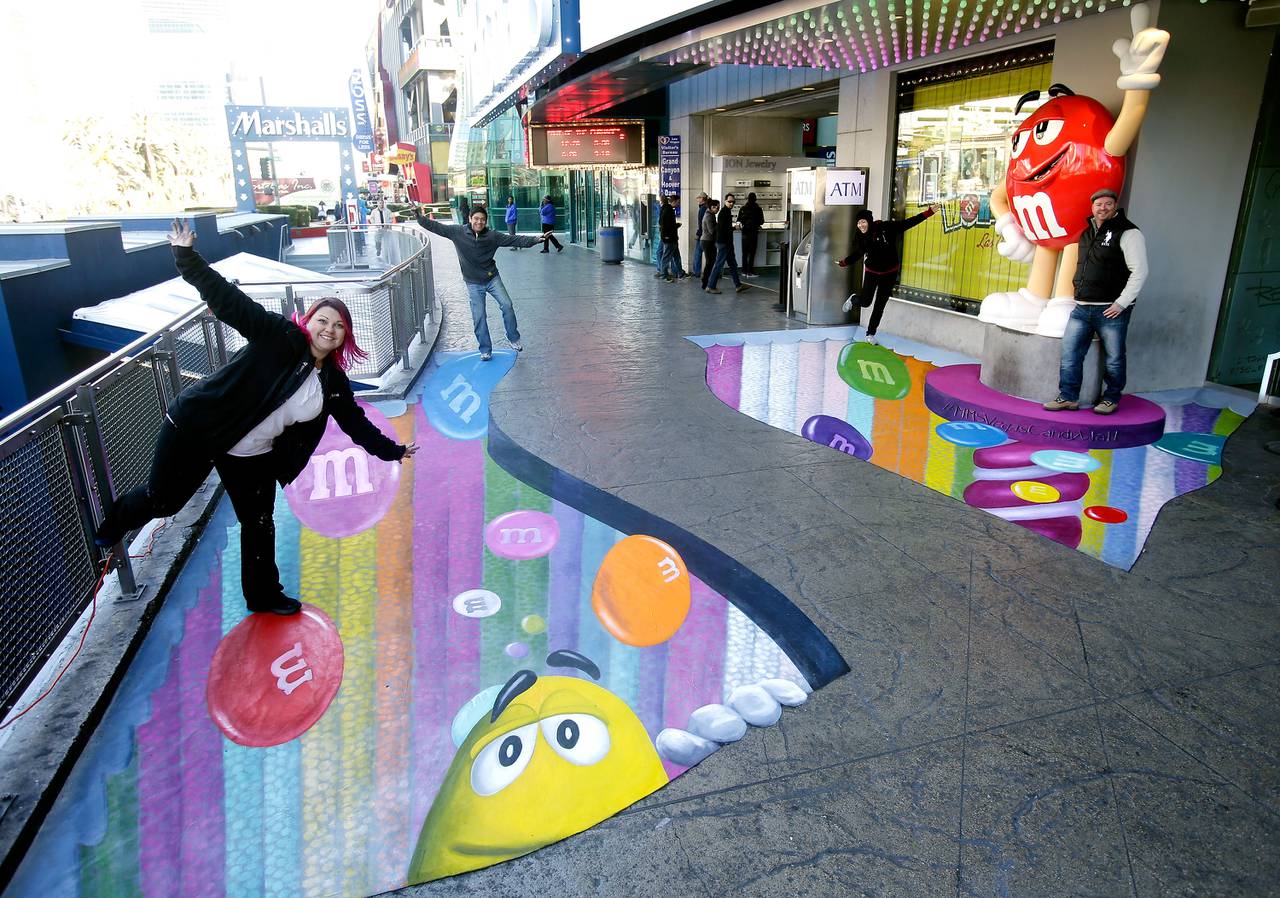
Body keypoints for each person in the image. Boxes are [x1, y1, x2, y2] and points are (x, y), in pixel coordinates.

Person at [93, 219, 418, 616]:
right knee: (164, 501)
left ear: (344, 336)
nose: (329, 329)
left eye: (338, 326)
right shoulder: (279, 336)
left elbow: (355, 423)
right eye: (323, 320)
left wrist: (392, 450)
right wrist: (186, 258)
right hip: (199, 426)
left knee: (259, 522)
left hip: (252, 453)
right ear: (308, 321)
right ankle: (113, 525)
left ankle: (264, 596)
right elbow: (229, 302)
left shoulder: (333, 380)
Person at [1043, 189, 1148, 415]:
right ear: (1092, 208)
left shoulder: (1128, 232)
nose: (1102, 208)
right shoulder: (1087, 233)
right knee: (1070, 355)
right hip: (1082, 308)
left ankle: (1111, 398)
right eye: (1098, 204)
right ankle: (1069, 397)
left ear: (1115, 205)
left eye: (1108, 204)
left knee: (1114, 358)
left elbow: (1140, 271)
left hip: (1112, 310)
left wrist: (1122, 303)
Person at [416, 204, 549, 360]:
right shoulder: (457, 232)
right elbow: (435, 226)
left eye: (483, 220)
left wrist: (535, 239)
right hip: (473, 282)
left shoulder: (492, 236)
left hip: (492, 278)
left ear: (486, 221)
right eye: (476, 219)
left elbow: (513, 239)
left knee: (507, 304)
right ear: (470, 219)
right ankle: (485, 349)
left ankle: (513, 337)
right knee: (479, 316)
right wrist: (419, 217)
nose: (479, 222)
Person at [837, 204, 938, 345]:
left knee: (880, 305)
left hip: (889, 273)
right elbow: (859, 253)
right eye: (859, 223)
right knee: (866, 302)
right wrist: (845, 262)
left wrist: (928, 213)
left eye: (863, 222)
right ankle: (854, 299)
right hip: (872, 272)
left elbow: (908, 223)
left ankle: (870, 334)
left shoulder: (886, 228)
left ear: (869, 221)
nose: (861, 225)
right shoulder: (861, 237)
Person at [706, 193, 748, 295]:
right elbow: (723, 229)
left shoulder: (726, 212)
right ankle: (711, 286)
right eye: (729, 201)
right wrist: (734, 228)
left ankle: (738, 285)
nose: (731, 203)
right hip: (724, 243)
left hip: (726, 242)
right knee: (719, 264)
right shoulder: (724, 213)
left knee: (733, 264)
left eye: (733, 202)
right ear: (725, 201)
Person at [737, 192, 765, 276]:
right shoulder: (758, 209)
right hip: (753, 233)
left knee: (744, 253)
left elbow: (739, 220)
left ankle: (744, 271)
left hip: (745, 233)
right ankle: (750, 271)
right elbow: (761, 221)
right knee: (752, 253)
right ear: (755, 199)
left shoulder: (743, 208)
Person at [657, 195, 682, 283]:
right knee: (667, 256)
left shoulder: (664, 209)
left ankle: (680, 273)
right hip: (669, 237)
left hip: (669, 237)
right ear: (673, 201)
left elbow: (662, 223)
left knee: (676, 256)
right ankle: (664, 274)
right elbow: (667, 225)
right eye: (678, 202)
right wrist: (676, 226)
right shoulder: (668, 210)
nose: (679, 204)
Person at [699, 199, 720, 291]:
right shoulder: (709, 216)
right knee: (710, 262)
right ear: (712, 207)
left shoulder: (710, 215)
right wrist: (719, 226)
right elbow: (712, 230)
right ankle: (705, 281)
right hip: (708, 241)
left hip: (707, 241)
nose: (718, 209)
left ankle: (705, 280)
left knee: (710, 262)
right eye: (717, 207)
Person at [691, 192, 708, 279]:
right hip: (705, 235)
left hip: (702, 235)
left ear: (702, 198)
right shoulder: (705, 208)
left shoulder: (702, 209)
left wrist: (698, 234)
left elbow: (701, 223)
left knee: (698, 253)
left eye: (698, 197)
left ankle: (696, 272)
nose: (697, 199)